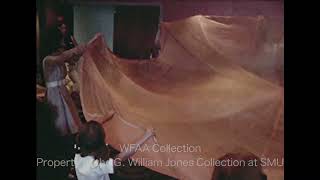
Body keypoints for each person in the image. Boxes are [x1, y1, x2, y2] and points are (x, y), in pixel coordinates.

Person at [74, 120, 155, 180]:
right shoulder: (97, 166)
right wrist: (147, 135)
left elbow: (90, 132)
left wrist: (107, 117)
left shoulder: (79, 147)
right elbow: (124, 156)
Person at [42, 26, 86, 136]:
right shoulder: (48, 60)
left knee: (71, 118)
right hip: (54, 94)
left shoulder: (59, 57)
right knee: (59, 121)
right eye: (61, 40)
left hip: (63, 92)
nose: (63, 43)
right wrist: (77, 49)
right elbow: (60, 58)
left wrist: (78, 50)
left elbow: (71, 60)